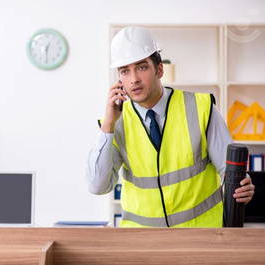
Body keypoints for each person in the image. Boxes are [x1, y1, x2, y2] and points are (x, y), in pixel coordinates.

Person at [86, 26, 255, 228]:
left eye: (141, 67)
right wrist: (107, 126)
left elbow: (230, 173)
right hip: (142, 245)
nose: (134, 79)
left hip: (200, 239)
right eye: (125, 71)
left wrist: (243, 186)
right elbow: (98, 186)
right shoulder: (116, 122)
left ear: (159, 70)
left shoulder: (201, 109)